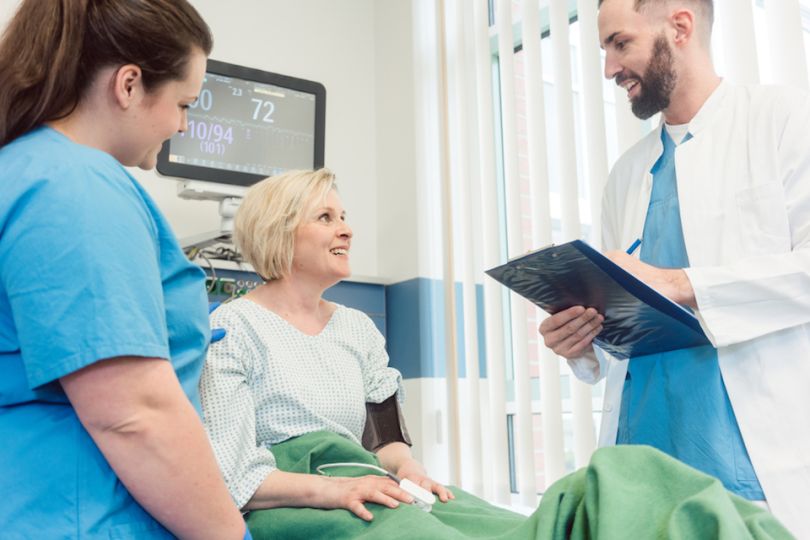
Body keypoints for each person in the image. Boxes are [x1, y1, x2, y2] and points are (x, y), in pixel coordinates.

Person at [201, 169, 792, 540]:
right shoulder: (233, 328)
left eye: (346, 215)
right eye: (326, 217)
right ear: (279, 231)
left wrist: (408, 472)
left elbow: (385, 440)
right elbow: (232, 477)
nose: (347, 228)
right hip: (305, 505)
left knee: (555, 511)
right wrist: (337, 491)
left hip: (367, 488)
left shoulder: (357, 330)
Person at [538, 0, 810, 537]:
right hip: (640, 453)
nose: (610, 68)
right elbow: (626, 323)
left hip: (749, 456)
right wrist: (582, 341)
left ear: (679, 27)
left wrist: (680, 282)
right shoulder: (627, 174)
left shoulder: (781, 120)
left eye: (621, 44)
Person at [0, 1, 248, 538]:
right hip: (80, 517)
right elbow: (134, 416)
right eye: (184, 103)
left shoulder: (23, 171)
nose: (183, 124)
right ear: (129, 84)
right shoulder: (76, 188)